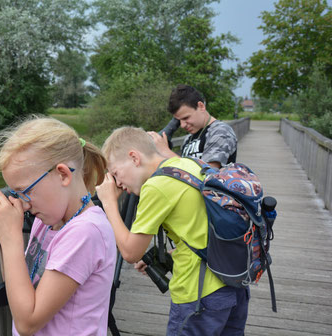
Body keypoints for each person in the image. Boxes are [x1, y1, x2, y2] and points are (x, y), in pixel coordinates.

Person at [96, 126, 249, 336]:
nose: (119, 183)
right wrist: (168, 255)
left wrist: (109, 203)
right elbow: (201, 228)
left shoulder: (157, 186)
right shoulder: (187, 164)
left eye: (116, 173)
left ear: (134, 157)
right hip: (233, 284)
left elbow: (131, 253)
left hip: (199, 295)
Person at [0, 116, 116, 336]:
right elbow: (20, 286)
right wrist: (3, 235)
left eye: (26, 191)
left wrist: (10, 238)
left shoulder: (86, 232)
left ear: (62, 175)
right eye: (16, 194)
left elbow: (28, 322)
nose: (23, 203)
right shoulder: (49, 222)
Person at [148, 84, 237, 169]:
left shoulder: (221, 132)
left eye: (186, 118)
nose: (182, 125)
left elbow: (207, 173)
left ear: (201, 106)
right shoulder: (188, 139)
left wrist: (166, 152)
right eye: (179, 121)